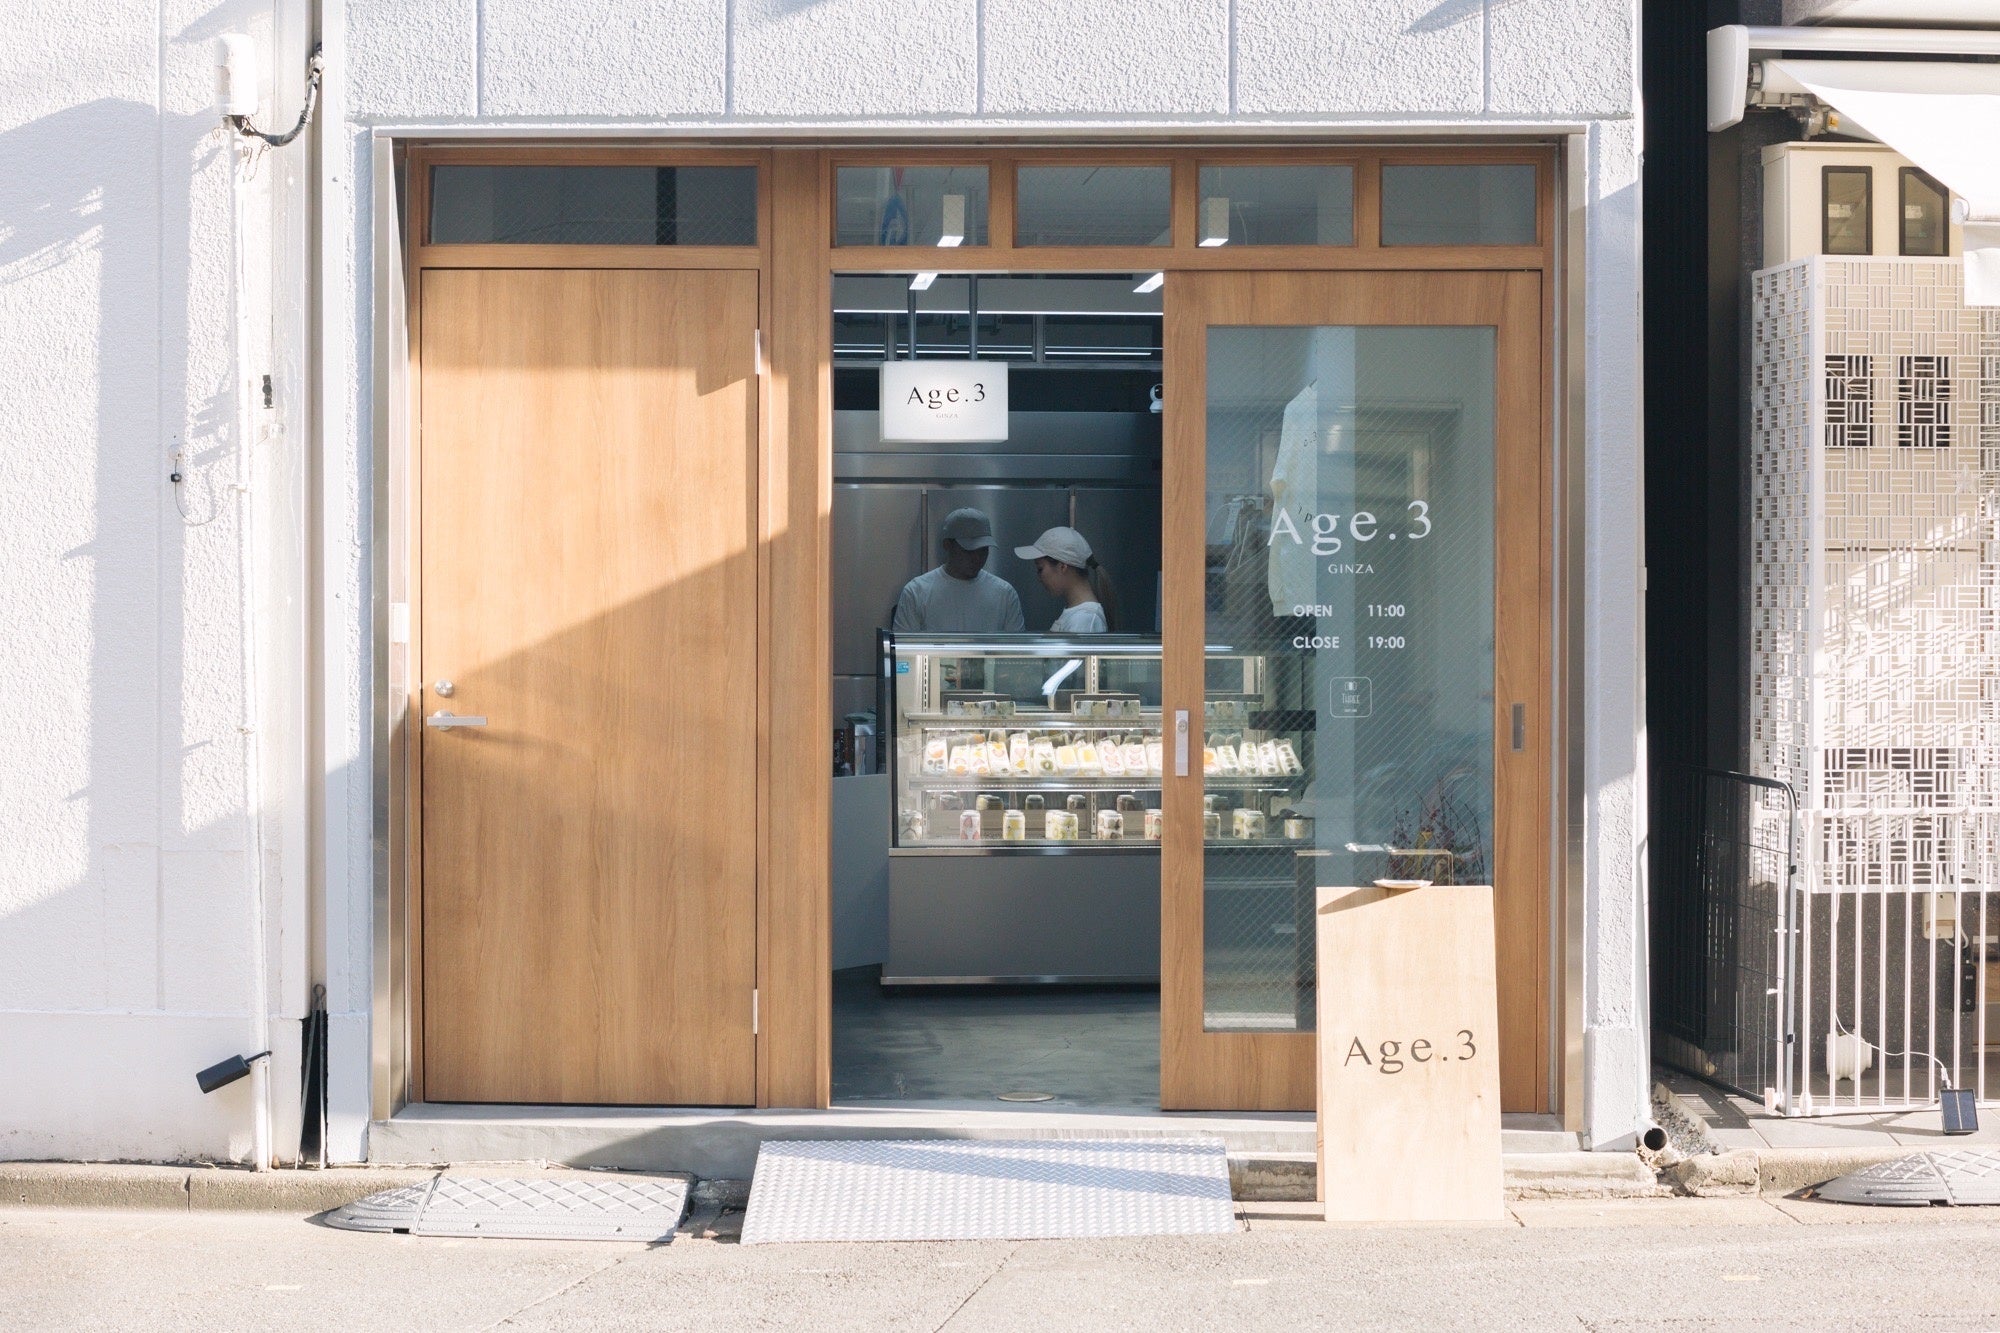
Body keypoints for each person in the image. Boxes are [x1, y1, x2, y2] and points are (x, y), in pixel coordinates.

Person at [892, 508, 1025, 633]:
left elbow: (1016, 648)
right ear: (947, 545)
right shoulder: (916, 592)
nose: (977, 558)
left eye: (983, 550)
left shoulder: (1005, 594)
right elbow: (902, 647)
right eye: (969, 550)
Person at [1016, 526, 1117, 633]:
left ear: (1062, 567)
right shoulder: (1079, 615)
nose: (1039, 578)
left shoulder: (1084, 619)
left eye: (1040, 569)